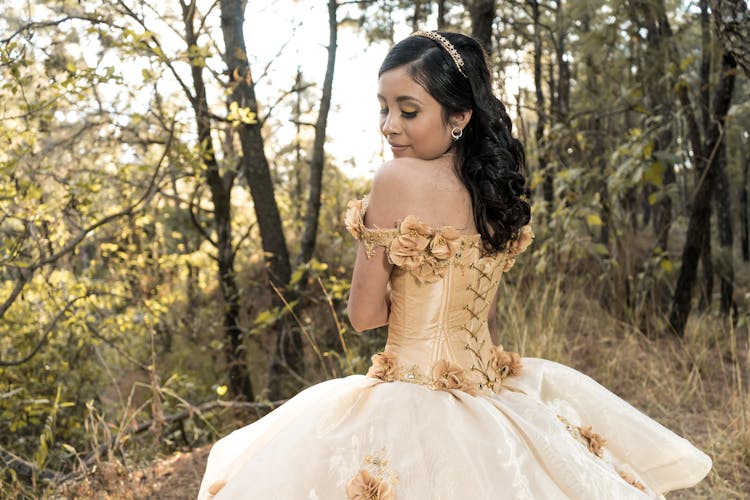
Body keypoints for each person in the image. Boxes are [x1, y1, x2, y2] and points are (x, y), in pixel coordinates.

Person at [198, 31, 711, 499]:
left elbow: (363, 315)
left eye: (409, 110)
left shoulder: (395, 180)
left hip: (414, 393)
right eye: (384, 108)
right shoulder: (494, 189)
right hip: (491, 395)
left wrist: (405, 298)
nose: (390, 126)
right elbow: (486, 317)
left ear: (459, 117)